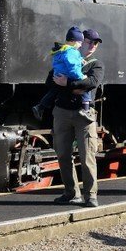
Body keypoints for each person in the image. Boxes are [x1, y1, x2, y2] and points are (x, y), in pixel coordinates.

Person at [51, 29, 104, 207]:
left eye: (95, 43)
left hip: (84, 114)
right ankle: (71, 192)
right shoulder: (65, 56)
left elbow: (91, 83)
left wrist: (67, 83)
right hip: (62, 111)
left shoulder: (96, 65)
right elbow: (50, 81)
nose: (92, 46)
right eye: (90, 41)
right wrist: (75, 86)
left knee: (87, 155)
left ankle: (91, 196)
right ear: (80, 42)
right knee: (63, 154)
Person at [33, 26, 90, 121]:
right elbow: (72, 66)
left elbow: (67, 59)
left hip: (58, 75)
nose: (80, 45)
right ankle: (86, 110)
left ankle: (40, 106)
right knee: (85, 88)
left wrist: (80, 60)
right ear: (73, 41)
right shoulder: (72, 52)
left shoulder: (61, 50)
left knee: (54, 91)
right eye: (80, 42)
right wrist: (81, 76)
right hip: (68, 75)